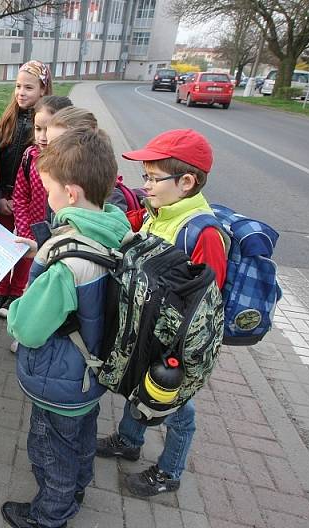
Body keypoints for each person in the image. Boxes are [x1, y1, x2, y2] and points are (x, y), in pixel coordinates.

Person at [1, 127, 132, 528]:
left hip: (59, 382)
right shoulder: (120, 230)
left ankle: (50, 513)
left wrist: (16, 306)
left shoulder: (67, 262)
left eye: (49, 190)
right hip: (93, 375)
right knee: (81, 436)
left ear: (71, 194)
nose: (48, 199)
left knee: (50, 448)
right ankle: (79, 485)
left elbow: (27, 329)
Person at [96, 129, 227, 497]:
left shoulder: (202, 234)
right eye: (146, 177)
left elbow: (207, 306)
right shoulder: (159, 212)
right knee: (137, 384)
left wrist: (180, 360)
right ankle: (128, 440)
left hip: (176, 346)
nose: (146, 186)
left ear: (186, 181)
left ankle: (170, 472)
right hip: (149, 329)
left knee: (176, 407)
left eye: (153, 178)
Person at [0, 60, 52, 317]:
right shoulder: (8, 119)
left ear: (43, 90)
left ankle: (16, 292)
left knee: (26, 242)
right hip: (5, 196)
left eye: (28, 87)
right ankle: (1, 289)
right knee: (2, 244)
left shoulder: (45, 125)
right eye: (17, 86)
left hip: (30, 196)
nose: (21, 92)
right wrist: (1, 196)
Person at [6, 95, 72, 320]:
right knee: (33, 284)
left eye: (49, 130)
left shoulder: (73, 164)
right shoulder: (29, 156)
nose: (42, 137)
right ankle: (25, 327)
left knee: (51, 287)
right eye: (38, 128)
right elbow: (20, 195)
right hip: (32, 233)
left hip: (60, 239)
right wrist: (24, 230)